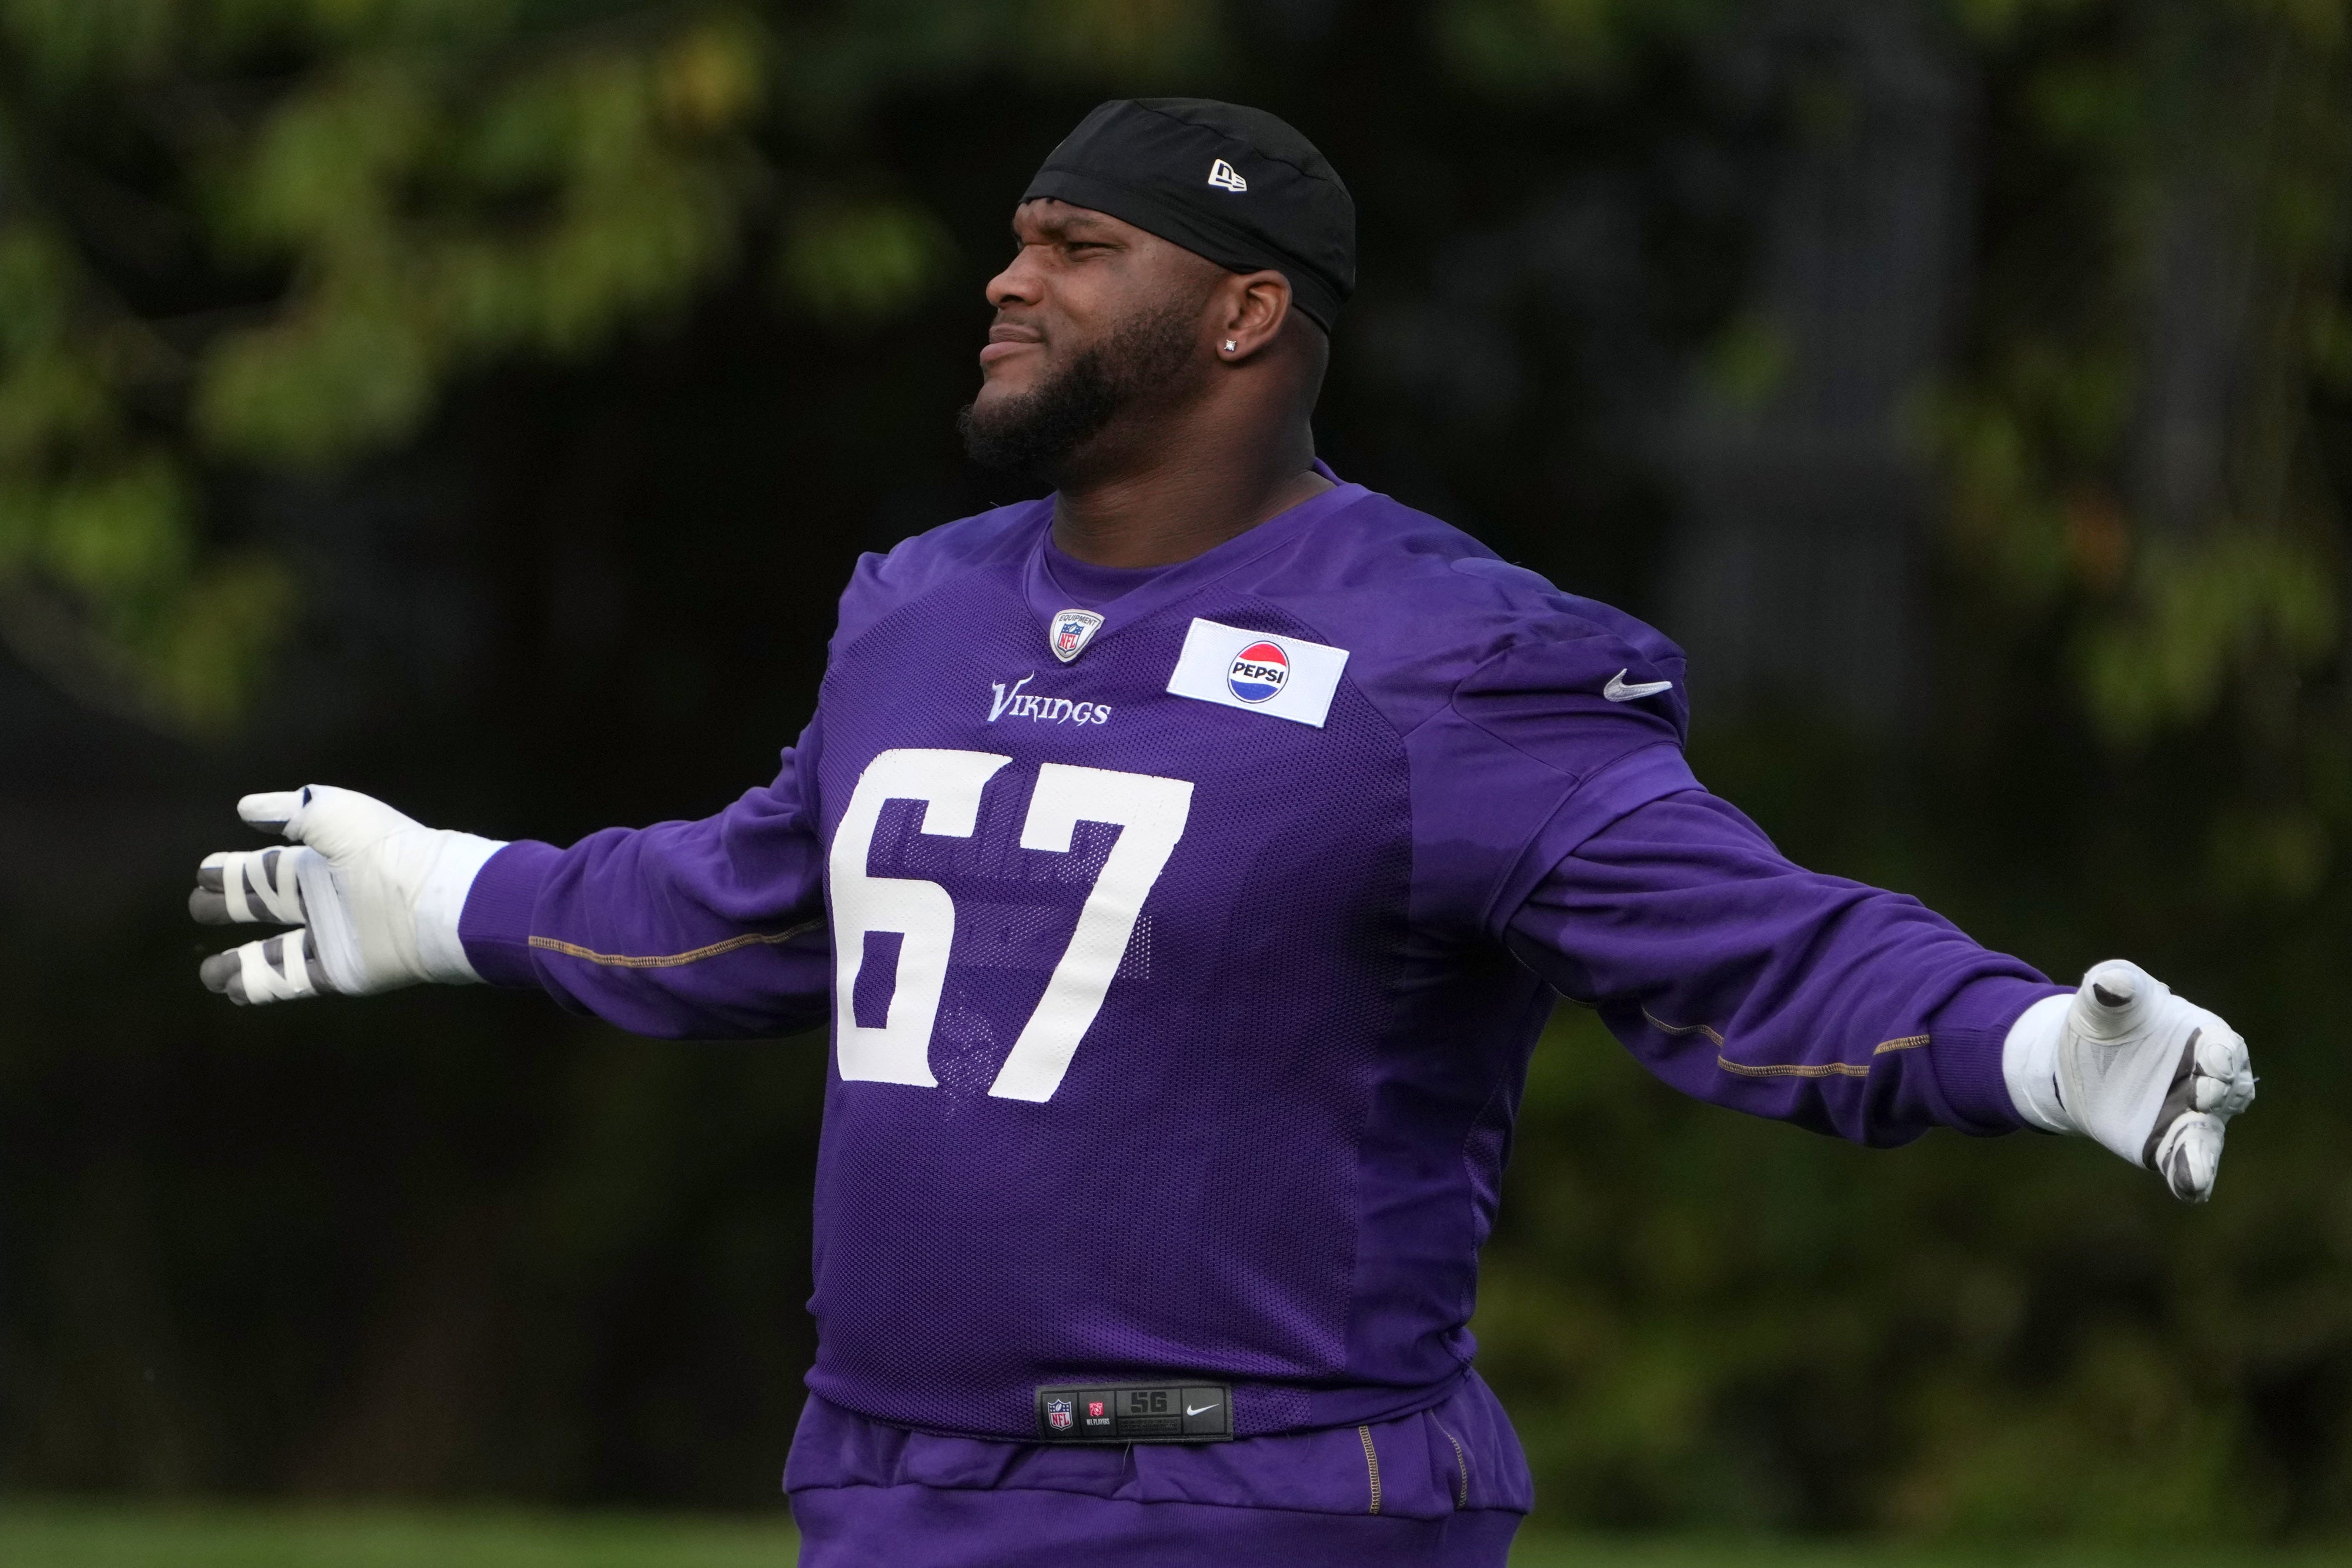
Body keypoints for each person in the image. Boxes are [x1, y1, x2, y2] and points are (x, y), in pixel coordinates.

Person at [188, 99, 2257, 1566]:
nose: (1010, 279)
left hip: (1250, 1503)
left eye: (1080, 248)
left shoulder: (1449, 656)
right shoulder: (917, 602)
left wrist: (2025, 1046)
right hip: (893, 1481)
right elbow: (763, 908)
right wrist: (461, 895)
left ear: (1251, 313)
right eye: (1016, 237)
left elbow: (1744, 943)